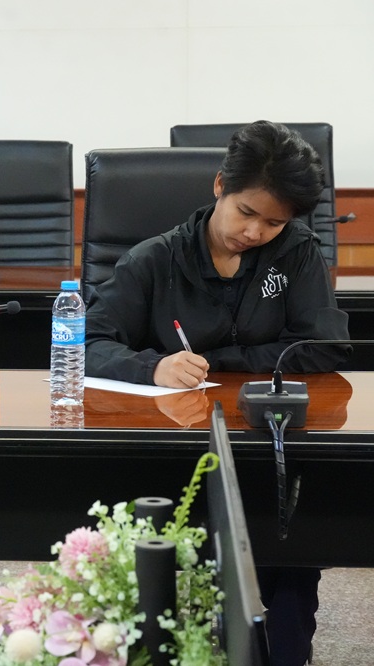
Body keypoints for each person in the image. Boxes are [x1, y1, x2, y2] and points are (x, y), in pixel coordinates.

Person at [85, 120, 350, 666]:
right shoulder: (154, 260)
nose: (255, 232)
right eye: (246, 212)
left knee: (295, 534)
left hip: (268, 440)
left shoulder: (296, 252)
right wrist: (153, 367)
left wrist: (220, 360)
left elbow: (323, 347)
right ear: (219, 187)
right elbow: (84, 343)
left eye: (273, 222)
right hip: (168, 445)